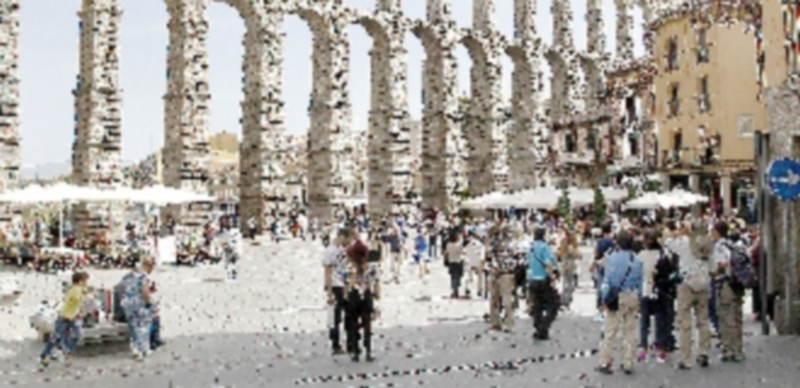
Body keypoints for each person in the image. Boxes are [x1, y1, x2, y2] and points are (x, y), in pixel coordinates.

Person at [664, 220, 712, 369]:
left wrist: (680, 232)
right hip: (703, 282)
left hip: (687, 283)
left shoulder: (685, 244)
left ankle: (686, 358)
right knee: (703, 320)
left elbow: (668, 241)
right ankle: (704, 352)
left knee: (684, 322)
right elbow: (714, 265)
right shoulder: (709, 245)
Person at [596, 231, 643, 375]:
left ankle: (606, 361)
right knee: (630, 330)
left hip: (616, 296)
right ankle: (628, 361)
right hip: (632, 295)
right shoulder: (637, 260)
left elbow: (607, 281)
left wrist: (603, 299)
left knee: (610, 330)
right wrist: (639, 298)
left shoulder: (612, 259)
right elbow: (640, 283)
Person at [40, 271, 90, 368]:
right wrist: (86, 299)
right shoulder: (76, 290)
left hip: (71, 317)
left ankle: (59, 352)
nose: (87, 282)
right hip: (66, 317)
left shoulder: (78, 289)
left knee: (61, 337)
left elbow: (82, 295)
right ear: (80, 281)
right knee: (65, 336)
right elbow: (78, 299)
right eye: (85, 280)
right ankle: (51, 353)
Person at [711, 221, 744, 362]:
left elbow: (722, 264)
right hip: (736, 284)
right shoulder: (733, 244)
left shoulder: (719, 247)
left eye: (712, 231)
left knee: (726, 317)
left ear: (718, 232)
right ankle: (738, 348)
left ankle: (731, 350)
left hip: (724, 284)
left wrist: (713, 272)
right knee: (736, 317)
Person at [344, 228, 379, 362]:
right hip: (366, 296)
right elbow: (376, 283)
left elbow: (346, 283)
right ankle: (368, 350)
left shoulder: (349, 267)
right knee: (367, 324)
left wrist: (346, 295)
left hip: (353, 296)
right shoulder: (371, 268)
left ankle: (355, 351)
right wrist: (376, 295)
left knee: (353, 324)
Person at [637, 229, 668, 363]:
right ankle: (660, 349)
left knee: (644, 321)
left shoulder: (641, 255)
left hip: (645, 290)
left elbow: (638, 274)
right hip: (660, 291)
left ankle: (643, 348)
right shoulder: (663, 254)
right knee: (660, 321)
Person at [120, 258, 156, 361]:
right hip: (138, 303)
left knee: (133, 326)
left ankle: (135, 350)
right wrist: (151, 302)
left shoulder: (130, 275)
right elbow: (145, 292)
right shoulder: (144, 277)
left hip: (127, 303)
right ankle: (142, 349)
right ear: (150, 266)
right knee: (143, 326)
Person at [527, 227, 559, 340]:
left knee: (537, 305)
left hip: (532, 279)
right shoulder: (545, 247)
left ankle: (537, 328)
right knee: (554, 305)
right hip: (543, 279)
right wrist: (552, 277)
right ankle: (544, 327)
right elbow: (548, 263)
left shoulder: (530, 247)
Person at [323, 230, 349, 355]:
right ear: (341, 236)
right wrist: (329, 291)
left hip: (344, 284)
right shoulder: (330, 251)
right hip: (335, 285)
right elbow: (327, 272)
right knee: (335, 317)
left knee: (348, 314)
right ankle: (335, 344)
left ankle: (349, 341)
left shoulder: (341, 250)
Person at [488, 226, 517, 332]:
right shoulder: (514, 245)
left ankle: (496, 323)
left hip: (497, 274)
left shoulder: (495, 243)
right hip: (507, 274)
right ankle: (509, 323)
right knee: (507, 300)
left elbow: (490, 257)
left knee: (495, 299)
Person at [590, 223, 615, 322]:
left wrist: (593, 265)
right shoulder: (613, 242)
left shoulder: (600, 242)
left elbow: (596, 254)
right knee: (609, 288)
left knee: (600, 289)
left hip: (601, 266)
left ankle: (599, 310)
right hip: (611, 267)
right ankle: (607, 308)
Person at [557, 228, 580, 309]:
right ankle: (567, 300)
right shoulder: (572, 246)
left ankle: (563, 299)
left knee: (564, 282)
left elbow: (558, 255)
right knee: (570, 282)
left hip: (563, 264)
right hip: (570, 265)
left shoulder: (563, 243)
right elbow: (578, 256)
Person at [464, 232, 486, 298]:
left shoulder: (469, 244)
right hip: (478, 262)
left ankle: (468, 288)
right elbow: (482, 256)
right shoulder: (481, 246)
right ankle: (479, 290)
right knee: (480, 277)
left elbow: (465, 252)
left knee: (470, 276)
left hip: (470, 262)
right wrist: (482, 263)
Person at [445, 232, 465, 298]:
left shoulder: (449, 244)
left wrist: (446, 260)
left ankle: (454, 290)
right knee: (458, 276)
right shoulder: (459, 245)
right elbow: (462, 253)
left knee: (453, 276)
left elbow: (447, 253)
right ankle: (456, 289)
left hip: (451, 261)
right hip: (458, 261)